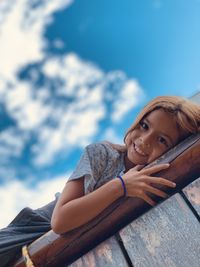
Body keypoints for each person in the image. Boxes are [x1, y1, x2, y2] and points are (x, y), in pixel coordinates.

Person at [0, 95, 200, 266]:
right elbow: (60, 221)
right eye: (144, 126)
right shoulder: (102, 153)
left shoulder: (157, 180)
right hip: (33, 229)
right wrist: (121, 186)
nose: (145, 140)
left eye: (162, 140)